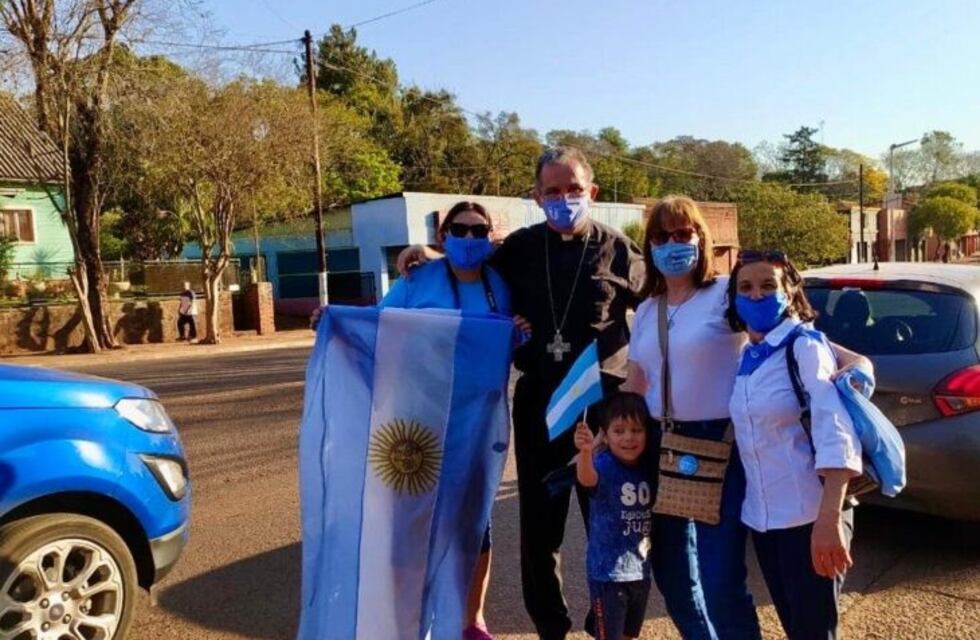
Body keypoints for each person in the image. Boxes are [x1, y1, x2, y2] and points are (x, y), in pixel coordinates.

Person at [398, 147, 645, 640]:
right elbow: (468, 265)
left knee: (611, 524)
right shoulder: (519, 250)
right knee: (539, 529)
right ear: (536, 197)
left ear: (591, 192)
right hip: (540, 405)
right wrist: (426, 257)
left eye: (573, 189)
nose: (564, 199)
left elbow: (668, 306)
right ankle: (551, 628)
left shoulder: (621, 251)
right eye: (552, 191)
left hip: (605, 412)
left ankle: (610, 628)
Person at [623, 197, 871, 639]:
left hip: (722, 446)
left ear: (702, 239)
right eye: (661, 237)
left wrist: (856, 370)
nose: (672, 244)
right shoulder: (646, 310)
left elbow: (806, 341)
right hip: (664, 447)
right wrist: (607, 433)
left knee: (720, 580)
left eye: (684, 234)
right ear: (649, 245)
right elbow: (636, 382)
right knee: (674, 578)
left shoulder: (728, 293)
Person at [383, 201, 511, 640]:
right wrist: (334, 321)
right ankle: (411, 618)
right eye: (461, 230)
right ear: (445, 235)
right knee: (414, 522)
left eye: (479, 232)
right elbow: (378, 327)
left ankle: (471, 618)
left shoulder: (502, 283)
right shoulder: (417, 278)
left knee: (476, 526)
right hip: (418, 422)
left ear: (492, 237)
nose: (470, 239)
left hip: (479, 423)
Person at [725, 250, 862, 640]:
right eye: (745, 287)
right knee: (795, 626)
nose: (756, 295)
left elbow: (836, 429)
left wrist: (828, 521)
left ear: (789, 291)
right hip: (765, 520)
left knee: (815, 632)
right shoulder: (747, 355)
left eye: (768, 286)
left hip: (810, 516)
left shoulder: (803, 346)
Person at [574, 392, 655, 640]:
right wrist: (586, 452)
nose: (628, 437)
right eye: (619, 431)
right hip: (608, 574)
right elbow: (587, 479)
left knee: (629, 633)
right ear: (606, 436)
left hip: (640, 571)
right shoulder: (604, 464)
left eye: (636, 430)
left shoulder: (647, 466)